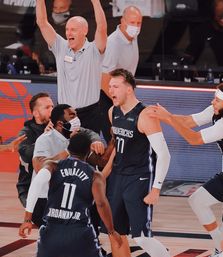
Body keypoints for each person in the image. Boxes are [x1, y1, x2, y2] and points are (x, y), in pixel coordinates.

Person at [97, 69, 192, 257]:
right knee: (116, 235)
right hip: (118, 177)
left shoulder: (146, 115)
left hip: (139, 179)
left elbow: (164, 154)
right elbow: (117, 147)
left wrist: (157, 188)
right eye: (110, 87)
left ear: (129, 88)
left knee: (142, 237)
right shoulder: (112, 111)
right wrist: (102, 176)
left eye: (116, 86)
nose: (111, 91)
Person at [147, 81, 223, 257]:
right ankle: (218, 247)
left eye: (217, 99)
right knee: (197, 200)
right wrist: (166, 115)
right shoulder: (217, 110)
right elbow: (188, 122)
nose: (212, 102)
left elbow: (194, 139)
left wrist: (167, 119)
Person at [19, 132, 122, 257]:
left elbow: (37, 183)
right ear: (88, 152)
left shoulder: (53, 165)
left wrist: (27, 218)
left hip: (53, 231)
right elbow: (101, 203)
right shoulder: (94, 175)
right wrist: (112, 231)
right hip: (80, 232)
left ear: (68, 148)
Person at [31, 104, 105, 257]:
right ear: (60, 122)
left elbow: (94, 144)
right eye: (72, 115)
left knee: (89, 244)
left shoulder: (80, 135)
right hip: (52, 202)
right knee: (72, 251)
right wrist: (69, 151)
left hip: (79, 198)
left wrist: (100, 142)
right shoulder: (45, 139)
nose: (77, 117)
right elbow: (39, 166)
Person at [36, 0, 107, 134]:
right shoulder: (60, 47)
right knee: (60, 154)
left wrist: (96, 2)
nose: (68, 33)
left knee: (88, 154)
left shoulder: (94, 49)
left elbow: (102, 27)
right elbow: (42, 22)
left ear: (85, 31)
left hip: (89, 114)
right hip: (63, 113)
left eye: (73, 30)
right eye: (67, 29)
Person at [100, 5, 143, 143]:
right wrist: (120, 103)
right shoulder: (113, 43)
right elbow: (104, 80)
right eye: (132, 22)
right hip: (108, 99)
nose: (136, 26)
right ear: (122, 21)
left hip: (123, 98)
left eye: (138, 23)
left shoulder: (133, 37)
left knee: (126, 141)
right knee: (115, 143)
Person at [16, 92, 53, 210]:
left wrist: (94, 140)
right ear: (35, 113)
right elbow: (27, 155)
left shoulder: (58, 126)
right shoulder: (25, 132)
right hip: (30, 189)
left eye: (52, 106)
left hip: (53, 187)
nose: (52, 110)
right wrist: (45, 136)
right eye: (47, 107)